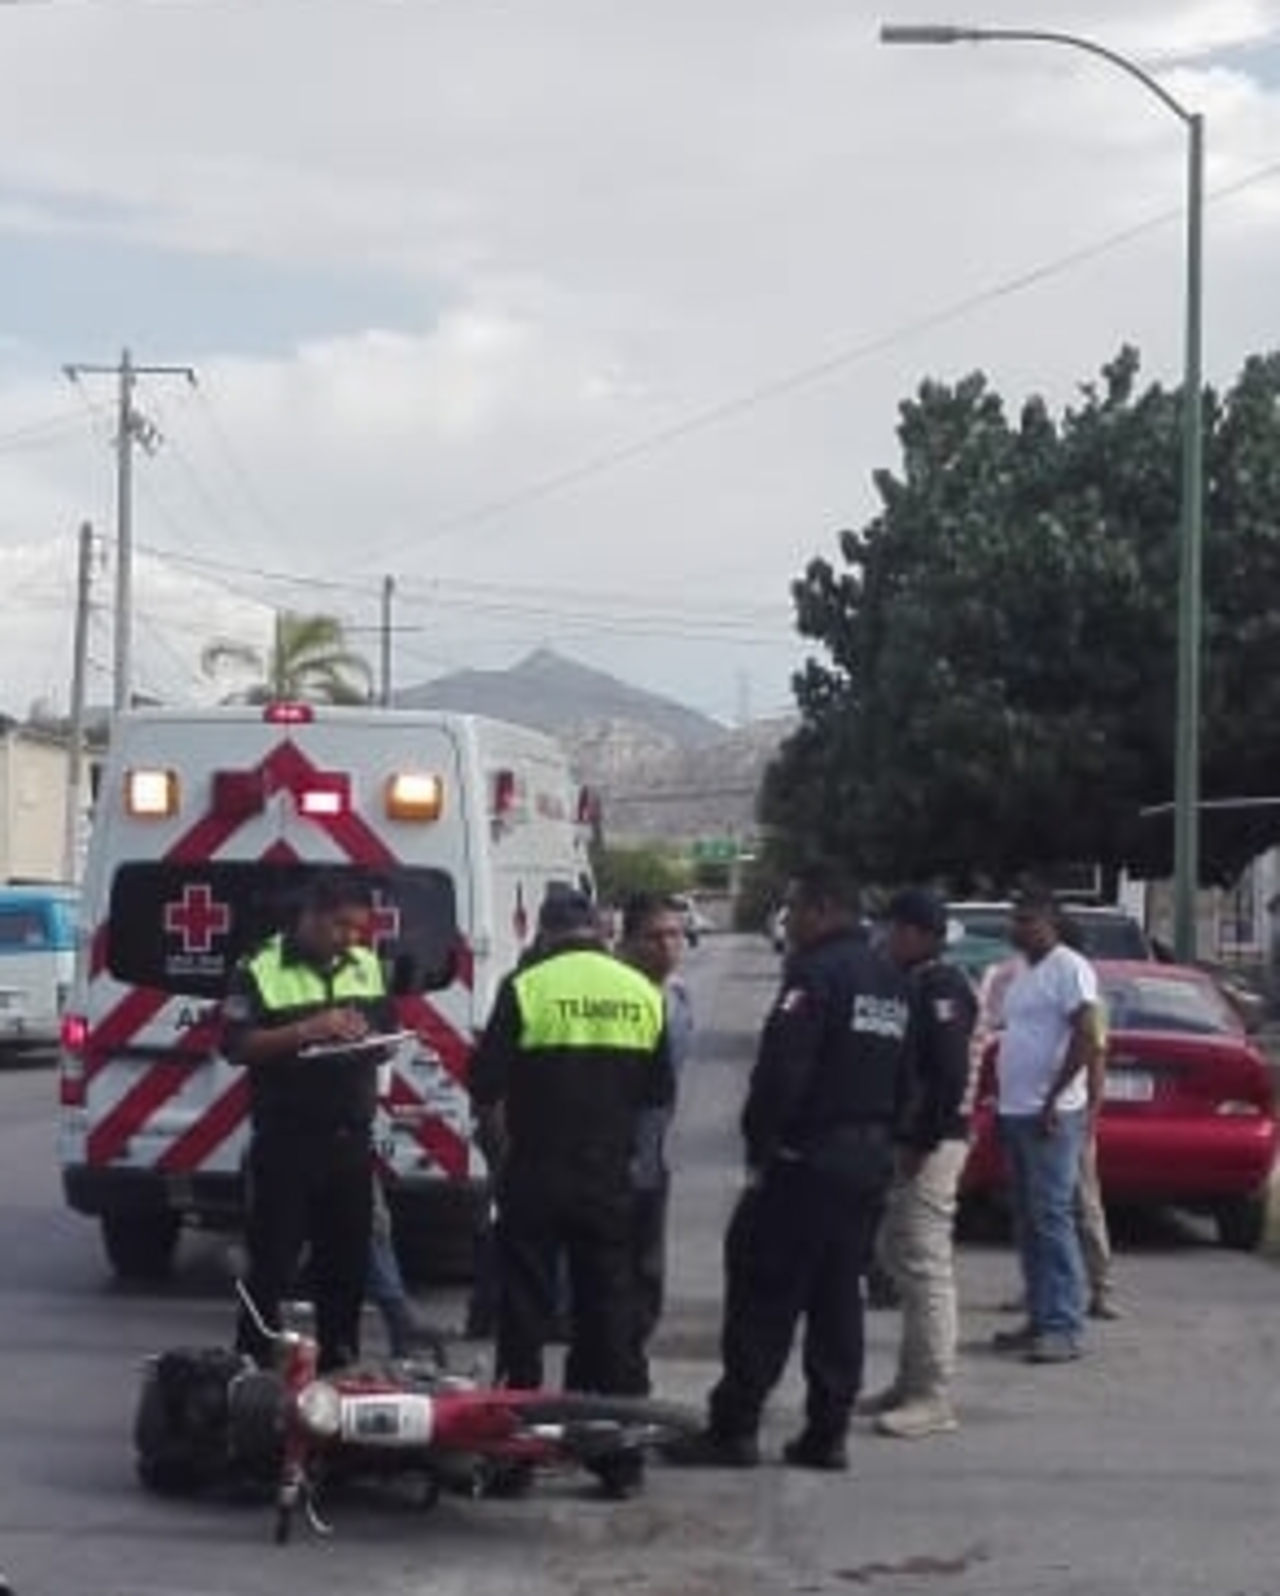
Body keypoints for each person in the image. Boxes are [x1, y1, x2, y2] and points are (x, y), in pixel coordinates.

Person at [667, 863, 914, 1472]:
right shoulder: (892, 979)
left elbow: (782, 1073)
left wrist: (763, 1147)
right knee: (838, 1297)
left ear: (826, 909)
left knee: (762, 1288)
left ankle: (735, 1428)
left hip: (808, 1159)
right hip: (867, 1159)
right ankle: (826, 1434)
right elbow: (913, 1076)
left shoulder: (817, 974)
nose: (792, 921)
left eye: (798, 908)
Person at [468, 889, 672, 1488]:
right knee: (607, 1316)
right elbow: (656, 1093)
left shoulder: (527, 985)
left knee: (525, 1313)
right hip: (608, 1177)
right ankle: (617, 1459)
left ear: (546, 932)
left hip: (536, 1169)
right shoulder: (641, 991)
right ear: (599, 929)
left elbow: (484, 1080)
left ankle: (515, 1459)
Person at [222, 872, 394, 1371]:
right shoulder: (260, 965)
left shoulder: (365, 964)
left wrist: (369, 1035)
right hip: (287, 1140)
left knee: (345, 1270)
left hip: (349, 1143)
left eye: (358, 929)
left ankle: (340, 1369)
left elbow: (387, 1030)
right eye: (341, 926)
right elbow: (237, 1045)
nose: (350, 938)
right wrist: (307, 1031)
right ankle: (250, 1370)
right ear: (312, 915)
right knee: (272, 1266)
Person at [862, 888, 976, 1439]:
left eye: (894, 930)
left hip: (931, 1144)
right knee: (899, 1254)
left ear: (918, 933)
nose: (886, 939)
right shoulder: (914, 983)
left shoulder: (942, 986)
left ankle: (933, 1395)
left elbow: (950, 1074)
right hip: (909, 1138)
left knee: (926, 1265)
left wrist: (920, 1139)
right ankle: (909, 1382)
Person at [991, 888, 1103, 1364]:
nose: (1018, 928)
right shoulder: (1019, 973)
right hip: (1015, 1109)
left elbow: (1087, 1033)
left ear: (1051, 923)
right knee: (1028, 1220)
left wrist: (1057, 1097)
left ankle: (1064, 1326)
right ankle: (1040, 1315)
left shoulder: (1069, 967)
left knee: (1053, 1218)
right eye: (1015, 920)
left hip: (1051, 1113)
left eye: (1028, 920)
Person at [616, 892, 695, 1348]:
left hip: (654, 1151)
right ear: (628, 942)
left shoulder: (679, 996)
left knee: (648, 1265)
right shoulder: (618, 993)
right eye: (656, 936)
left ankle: (636, 1339)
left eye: (676, 935)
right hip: (612, 1150)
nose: (668, 946)